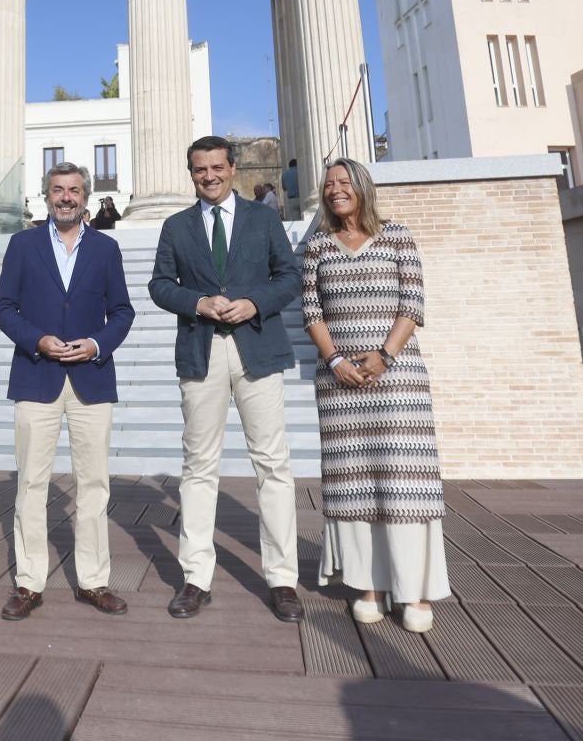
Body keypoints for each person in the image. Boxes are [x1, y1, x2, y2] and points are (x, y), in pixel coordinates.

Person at [148, 135, 304, 623]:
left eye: (217, 167)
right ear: (191, 174)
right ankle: (196, 578)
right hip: (202, 351)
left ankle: (282, 580)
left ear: (233, 168)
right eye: (200, 169)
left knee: (272, 464)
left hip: (257, 347)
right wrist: (197, 302)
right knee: (198, 466)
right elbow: (159, 285)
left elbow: (289, 276)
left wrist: (255, 302)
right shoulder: (176, 226)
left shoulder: (263, 218)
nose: (209, 176)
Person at [299, 156, 449, 632]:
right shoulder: (318, 246)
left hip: (397, 378)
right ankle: (368, 585)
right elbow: (311, 312)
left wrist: (385, 355)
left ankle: (413, 590)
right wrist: (335, 361)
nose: (335, 190)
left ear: (363, 187)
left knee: (405, 480)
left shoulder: (397, 236)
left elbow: (413, 302)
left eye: (344, 182)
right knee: (354, 482)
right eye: (329, 184)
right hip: (339, 384)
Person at [0, 160, 137, 620]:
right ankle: (29, 583)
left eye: (74, 190)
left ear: (86, 197)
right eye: (58, 190)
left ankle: (93, 581)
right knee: (32, 483)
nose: (66, 197)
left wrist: (96, 344)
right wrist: (37, 340)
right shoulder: (23, 245)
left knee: (93, 484)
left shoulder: (107, 248)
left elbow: (123, 312)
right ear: (47, 196)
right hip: (37, 375)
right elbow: (4, 308)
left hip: (91, 378)